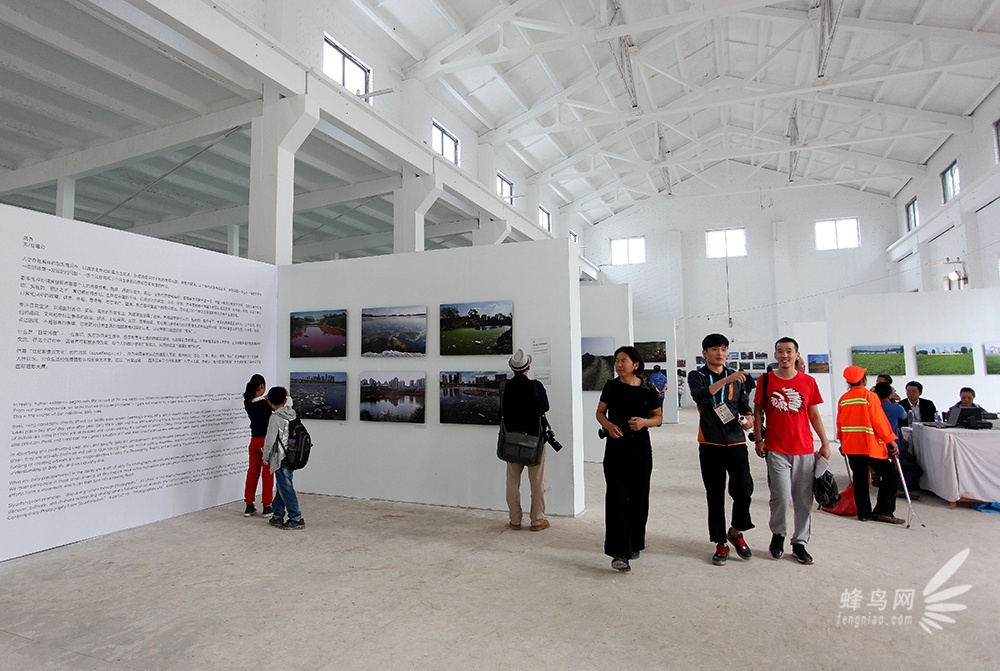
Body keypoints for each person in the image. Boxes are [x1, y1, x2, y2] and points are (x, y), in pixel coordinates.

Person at [752, 337, 831, 565]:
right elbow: (758, 412)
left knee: (803, 499)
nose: (784, 355)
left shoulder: (808, 381)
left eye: (789, 351)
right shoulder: (766, 381)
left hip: (804, 449)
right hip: (776, 448)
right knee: (781, 496)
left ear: (797, 354)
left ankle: (800, 543)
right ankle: (778, 535)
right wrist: (759, 439)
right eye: (780, 351)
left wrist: (825, 443)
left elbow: (813, 414)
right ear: (775, 355)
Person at [687, 334, 755, 566]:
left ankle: (736, 532)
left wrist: (749, 419)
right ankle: (720, 543)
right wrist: (726, 381)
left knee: (744, 490)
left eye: (724, 349)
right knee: (715, 495)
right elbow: (700, 395)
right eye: (715, 349)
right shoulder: (696, 376)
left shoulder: (739, 378)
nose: (720, 353)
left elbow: (745, 407)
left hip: (737, 442)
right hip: (710, 443)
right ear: (705, 352)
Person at [596, 346, 663, 572]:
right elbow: (600, 413)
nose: (618, 364)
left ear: (636, 365)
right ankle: (619, 552)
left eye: (623, 360)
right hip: (616, 448)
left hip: (640, 449)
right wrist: (609, 425)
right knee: (616, 498)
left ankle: (635, 542)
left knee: (639, 496)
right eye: (616, 360)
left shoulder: (647, 390)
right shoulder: (611, 387)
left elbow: (658, 418)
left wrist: (644, 422)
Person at [837, 368, 904, 524]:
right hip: (869, 446)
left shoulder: (844, 399)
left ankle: (864, 513)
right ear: (864, 380)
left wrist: (841, 442)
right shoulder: (869, 396)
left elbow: (840, 423)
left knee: (860, 479)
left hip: (852, 447)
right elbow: (879, 421)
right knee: (891, 476)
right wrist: (891, 440)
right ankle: (883, 511)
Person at [500, 348, 551, 531]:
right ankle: (537, 520)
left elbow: (501, 412)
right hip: (534, 440)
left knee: (512, 482)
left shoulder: (505, 387)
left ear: (512, 368)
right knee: (537, 482)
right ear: (528, 367)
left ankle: (515, 520)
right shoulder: (535, 386)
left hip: (512, 441)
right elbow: (545, 407)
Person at [264, 386, 305, 530]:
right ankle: (277, 515)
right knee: (282, 486)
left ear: (270, 402)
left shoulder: (275, 418)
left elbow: (269, 441)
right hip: (292, 455)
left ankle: (296, 517)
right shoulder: (292, 413)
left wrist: (266, 457)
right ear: (285, 400)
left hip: (280, 456)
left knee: (286, 488)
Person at [876, 382, 922, 498]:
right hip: (893, 445)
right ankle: (900, 487)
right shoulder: (896, 408)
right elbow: (904, 416)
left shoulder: (873, 408)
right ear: (890, 394)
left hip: (877, 445)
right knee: (915, 469)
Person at [242, 374, 274, 518]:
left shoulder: (247, 403)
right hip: (265, 441)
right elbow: (266, 405)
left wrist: (265, 398)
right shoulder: (264, 405)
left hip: (254, 440)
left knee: (252, 473)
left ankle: (249, 504)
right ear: (262, 387)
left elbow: (257, 401)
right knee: (267, 474)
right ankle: (267, 505)